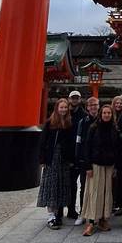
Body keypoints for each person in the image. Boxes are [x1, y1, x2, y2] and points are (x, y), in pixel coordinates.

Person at [80, 102, 118, 236]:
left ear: (112, 115)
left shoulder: (114, 129)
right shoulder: (93, 128)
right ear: (101, 114)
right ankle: (91, 221)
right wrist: (88, 166)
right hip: (96, 164)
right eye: (104, 113)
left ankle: (103, 219)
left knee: (107, 192)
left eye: (109, 113)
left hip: (109, 164)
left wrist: (116, 166)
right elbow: (87, 147)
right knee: (94, 192)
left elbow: (117, 149)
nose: (107, 115)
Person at [37, 98, 76, 229]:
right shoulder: (50, 123)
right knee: (51, 186)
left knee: (61, 185)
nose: (63, 109)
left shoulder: (70, 123)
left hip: (64, 159)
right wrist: (42, 159)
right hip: (52, 158)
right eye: (61, 107)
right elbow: (43, 142)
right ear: (57, 108)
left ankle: (58, 214)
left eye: (65, 107)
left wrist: (71, 159)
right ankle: (51, 216)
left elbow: (71, 144)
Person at [72, 95, 99, 224]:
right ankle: (83, 212)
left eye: (95, 105)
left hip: (99, 159)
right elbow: (78, 141)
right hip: (85, 159)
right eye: (91, 105)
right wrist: (78, 158)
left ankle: (96, 213)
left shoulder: (103, 119)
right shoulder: (83, 122)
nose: (94, 107)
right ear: (87, 107)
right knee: (84, 186)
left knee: (97, 187)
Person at [66, 89, 85, 219]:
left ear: (80, 99)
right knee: (69, 184)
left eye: (77, 98)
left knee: (83, 184)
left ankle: (83, 209)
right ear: (69, 99)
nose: (74, 100)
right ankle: (70, 209)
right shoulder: (63, 113)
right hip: (68, 154)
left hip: (80, 154)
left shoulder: (84, 115)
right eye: (73, 98)